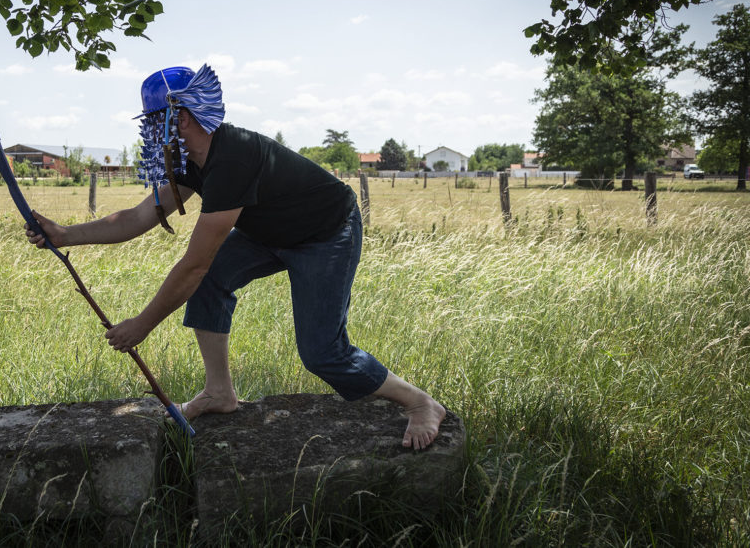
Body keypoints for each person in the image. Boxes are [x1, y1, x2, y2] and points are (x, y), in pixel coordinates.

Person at [26, 65, 445, 449]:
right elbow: (137, 217)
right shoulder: (192, 161)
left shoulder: (232, 159)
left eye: (155, 121)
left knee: (322, 352)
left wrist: (143, 324)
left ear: (181, 118)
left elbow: (194, 264)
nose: (152, 133)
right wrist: (65, 235)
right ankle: (220, 392)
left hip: (325, 234)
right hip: (270, 233)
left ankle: (419, 403)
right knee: (211, 286)